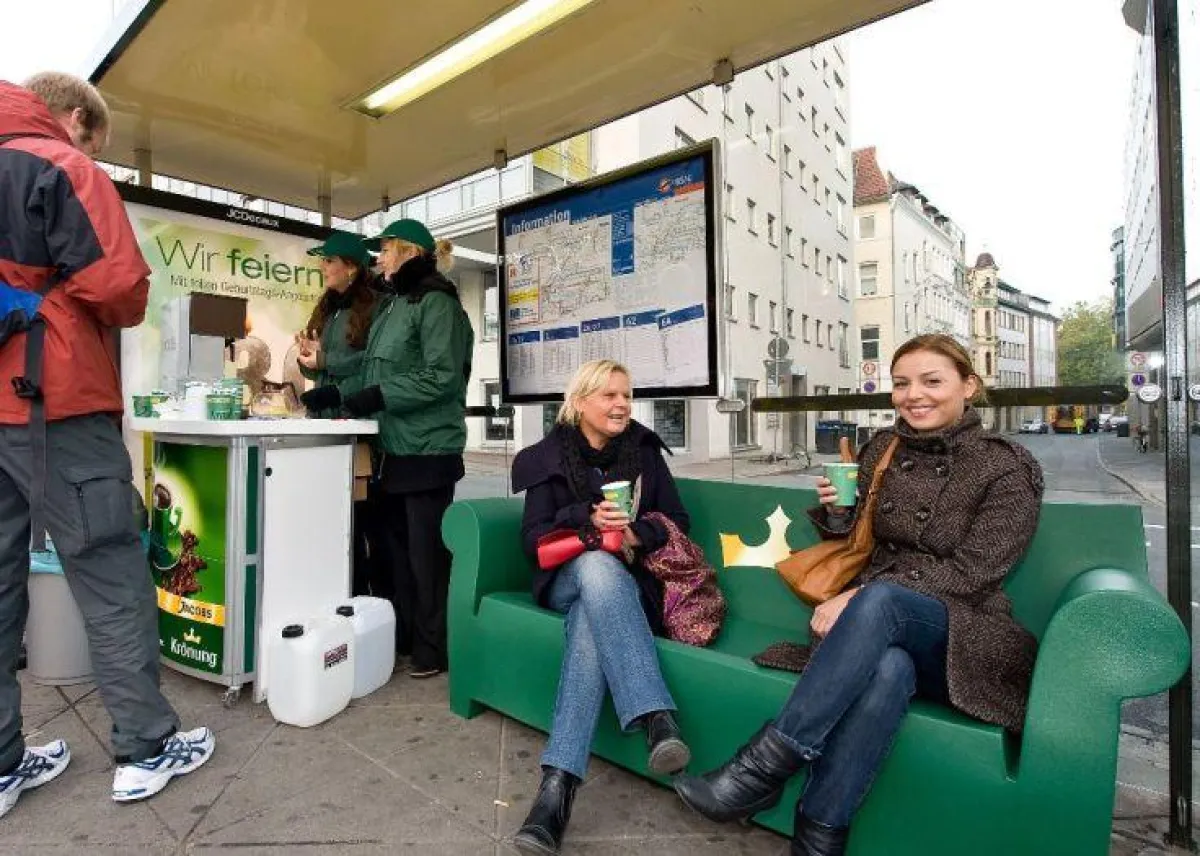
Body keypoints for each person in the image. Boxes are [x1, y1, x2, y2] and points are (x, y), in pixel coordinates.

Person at [674, 334, 1043, 856]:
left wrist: (860, 598)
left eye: (932, 381)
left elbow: (975, 571)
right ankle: (819, 836)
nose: (914, 394)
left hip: (968, 633)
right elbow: (854, 544)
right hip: (878, 627)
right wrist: (838, 512)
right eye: (901, 383)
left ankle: (761, 769)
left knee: (882, 602)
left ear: (970, 385)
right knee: (888, 669)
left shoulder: (1005, 465)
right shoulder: (881, 449)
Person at [0, 73, 213, 820]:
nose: (86, 149)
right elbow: (122, 291)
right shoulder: (60, 165)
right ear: (74, 117)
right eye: (90, 137)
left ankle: (1, 765)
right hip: (52, 400)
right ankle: (147, 746)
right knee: (111, 572)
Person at [509, 360, 692, 856]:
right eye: (609, 395)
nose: (621, 405)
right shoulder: (545, 457)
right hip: (566, 577)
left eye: (627, 396)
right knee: (593, 568)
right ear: (580, 401)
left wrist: (635, 531)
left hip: (631, 585)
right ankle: (654, 714)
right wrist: (586, 522)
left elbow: (677, 520)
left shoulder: (644, 453)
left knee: (594, 616)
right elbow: (532, 540)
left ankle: (556, 791)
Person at [302, 219, 472, 678]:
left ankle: (432, 648)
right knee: (396, 554)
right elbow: (372, 369)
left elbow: (442, 377)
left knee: (426, 557)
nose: (378, 260)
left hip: (429, 449)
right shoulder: (394, 305)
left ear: (407, 252)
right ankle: (402, 637)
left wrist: (376, 396)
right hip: (393, 449)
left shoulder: (438, 304)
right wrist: (335, 393)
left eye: (385, 252)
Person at [296, 232, 387, 598]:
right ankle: (334, 596)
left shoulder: (377, 306)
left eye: (330, 261)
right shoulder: (327, 307)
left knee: (360, 525)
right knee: (329, 524)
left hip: (358, 429)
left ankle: (361, 599)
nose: (323, 267)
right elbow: (320, 370)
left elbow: (372, 366)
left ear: (351, 267)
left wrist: (326, 362)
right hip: (327, 425)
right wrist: (308, 360)